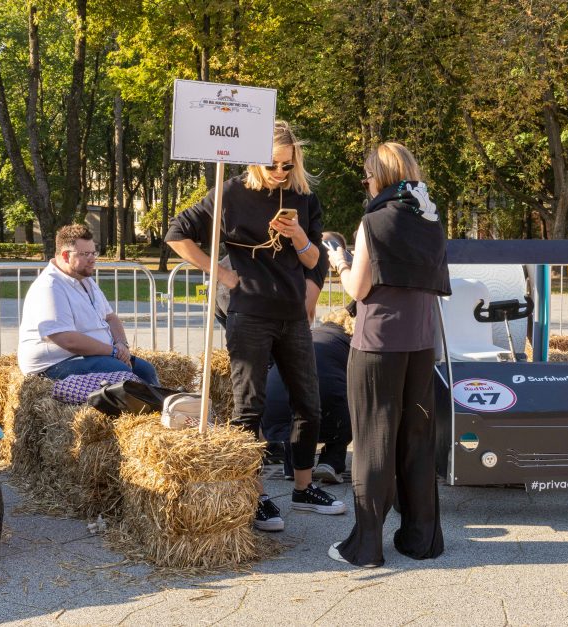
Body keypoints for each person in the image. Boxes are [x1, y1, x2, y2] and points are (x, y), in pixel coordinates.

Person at [165, 120, 345, 532]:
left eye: (287, 164)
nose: (280, 172)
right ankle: (255, 495)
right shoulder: (230, 193)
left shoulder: (303, 197)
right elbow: (177, 233)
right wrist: (222, 276)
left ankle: (302, 490)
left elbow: (313, 261)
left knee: (309, 404)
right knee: (251, 406)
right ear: (255, 162)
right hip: (249, 313)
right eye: (273, 165)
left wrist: (298, 233)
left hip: (291, 313)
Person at [326, 142, 451, 567]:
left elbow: (358, 289)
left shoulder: (373, 221)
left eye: (367, 174)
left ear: (380, 175)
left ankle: (365, 547)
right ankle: (422, 539)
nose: (366, 181)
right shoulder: (431, 218)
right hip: (421, 342)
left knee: (373, 442)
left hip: (378, 342)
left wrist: (340, 262)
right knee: (417, 439)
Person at [18, 224, 159, 385]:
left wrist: (122, 345)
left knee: (146, 370)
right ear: (65, 256)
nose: (93, 259)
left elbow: (111, 318)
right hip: (53, 365)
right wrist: (113, 352)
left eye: (94, 252)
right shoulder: (50, 286)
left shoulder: (85, 279)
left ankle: (163, 406)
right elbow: (67, 340)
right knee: (122, 374)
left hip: (91, 356)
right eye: (85, 254)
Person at [262, 308, 354, 483]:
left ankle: (293, 466)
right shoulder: (349, 342)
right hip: (323, 410)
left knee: (295, 419)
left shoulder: (311, 335)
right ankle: (331, 462)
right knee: (347, 399)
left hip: (272, 408)